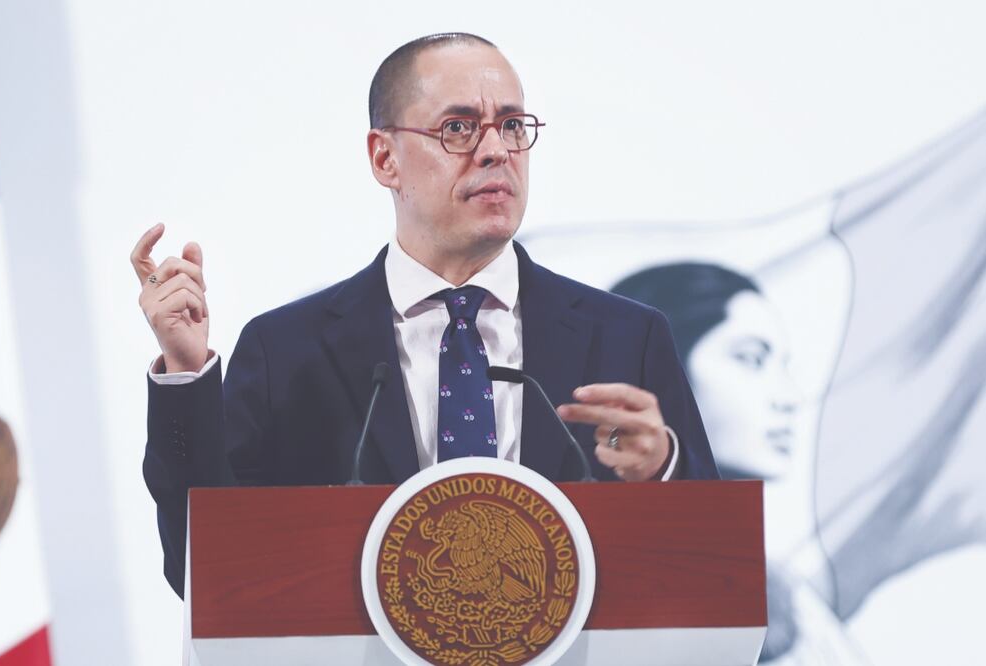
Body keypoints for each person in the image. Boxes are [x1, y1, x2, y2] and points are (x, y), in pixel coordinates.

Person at [132, 33, 719, 597]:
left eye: (513, 126)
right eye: (458, 128)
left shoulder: (625, 336)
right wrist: (186, 374)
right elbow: (202, 571)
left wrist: (664, 469)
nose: (496, 150)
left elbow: (712, 565)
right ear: (384, 157)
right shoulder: (286, 350)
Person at [612, 263, 868, 664]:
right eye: (751, 359)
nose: (790, 397)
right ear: (663, 372)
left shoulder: (783, 589)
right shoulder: (592, 571)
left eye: (783, 366)